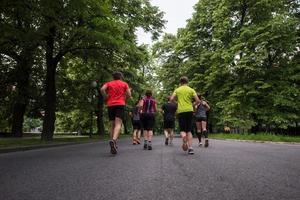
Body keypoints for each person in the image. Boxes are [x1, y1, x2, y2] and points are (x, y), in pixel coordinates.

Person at [100, 72, 132, 155]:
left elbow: (102, 89)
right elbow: (129, 94)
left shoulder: (109, 83)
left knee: (112, 124)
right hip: (120, 104)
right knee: (118, 124)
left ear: (113, 77)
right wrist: (124, 98)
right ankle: (113, 141)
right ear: (121, 77)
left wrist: (106, 97)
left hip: (110, 105)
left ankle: (113, 142)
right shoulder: (124, 84)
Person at [170, 76, 200, 155]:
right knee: (189, 130)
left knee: (183, 130)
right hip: (189, 110)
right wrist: (192, 104)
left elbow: (171, 99)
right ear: (187, 82)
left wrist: (177, 103)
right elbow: (198, 100)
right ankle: (190, 148)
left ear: (180, 82)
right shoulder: (191, 90)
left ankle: (183, 137)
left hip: (181, 111)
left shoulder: (177, 90)